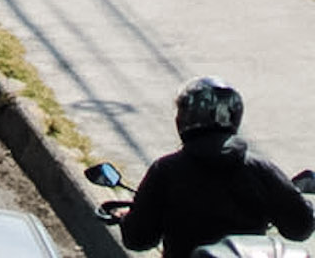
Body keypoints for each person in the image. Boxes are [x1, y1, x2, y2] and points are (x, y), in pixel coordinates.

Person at [120, 79, 314, 258]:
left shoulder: (165, 170)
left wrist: (127, 219)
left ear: (184, 118)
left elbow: (138, 238)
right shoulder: (261, 169)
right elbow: (300, 228)